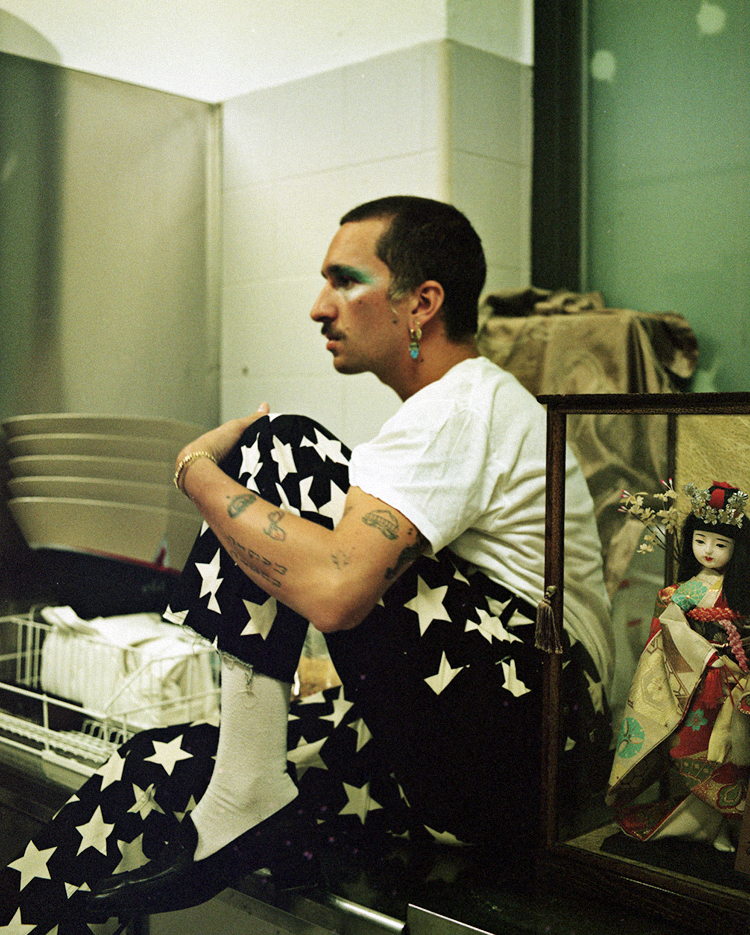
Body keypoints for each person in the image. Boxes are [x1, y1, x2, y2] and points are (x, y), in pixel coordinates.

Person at [0, 196, 613, 931]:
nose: (320, 307)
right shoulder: (451, 414)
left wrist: (197, 471)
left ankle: (247, 787)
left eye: (345, 281)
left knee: (278, 445)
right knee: (156, 765)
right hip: (499, 770)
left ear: (422, 303)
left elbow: (336, 590)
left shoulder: (462, 405)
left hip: (538, 736)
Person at [607, 481, 750, 851]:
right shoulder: (687, 590)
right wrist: (706, 654)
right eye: (700, 541)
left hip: (737, 686)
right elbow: (667, 627)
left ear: (737, 549)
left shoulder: (739, 590)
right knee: (690, 750)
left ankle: (723, 828)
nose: (708, 551)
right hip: (697, 684)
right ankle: (713, 825)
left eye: (720, 545)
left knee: (735, 754)